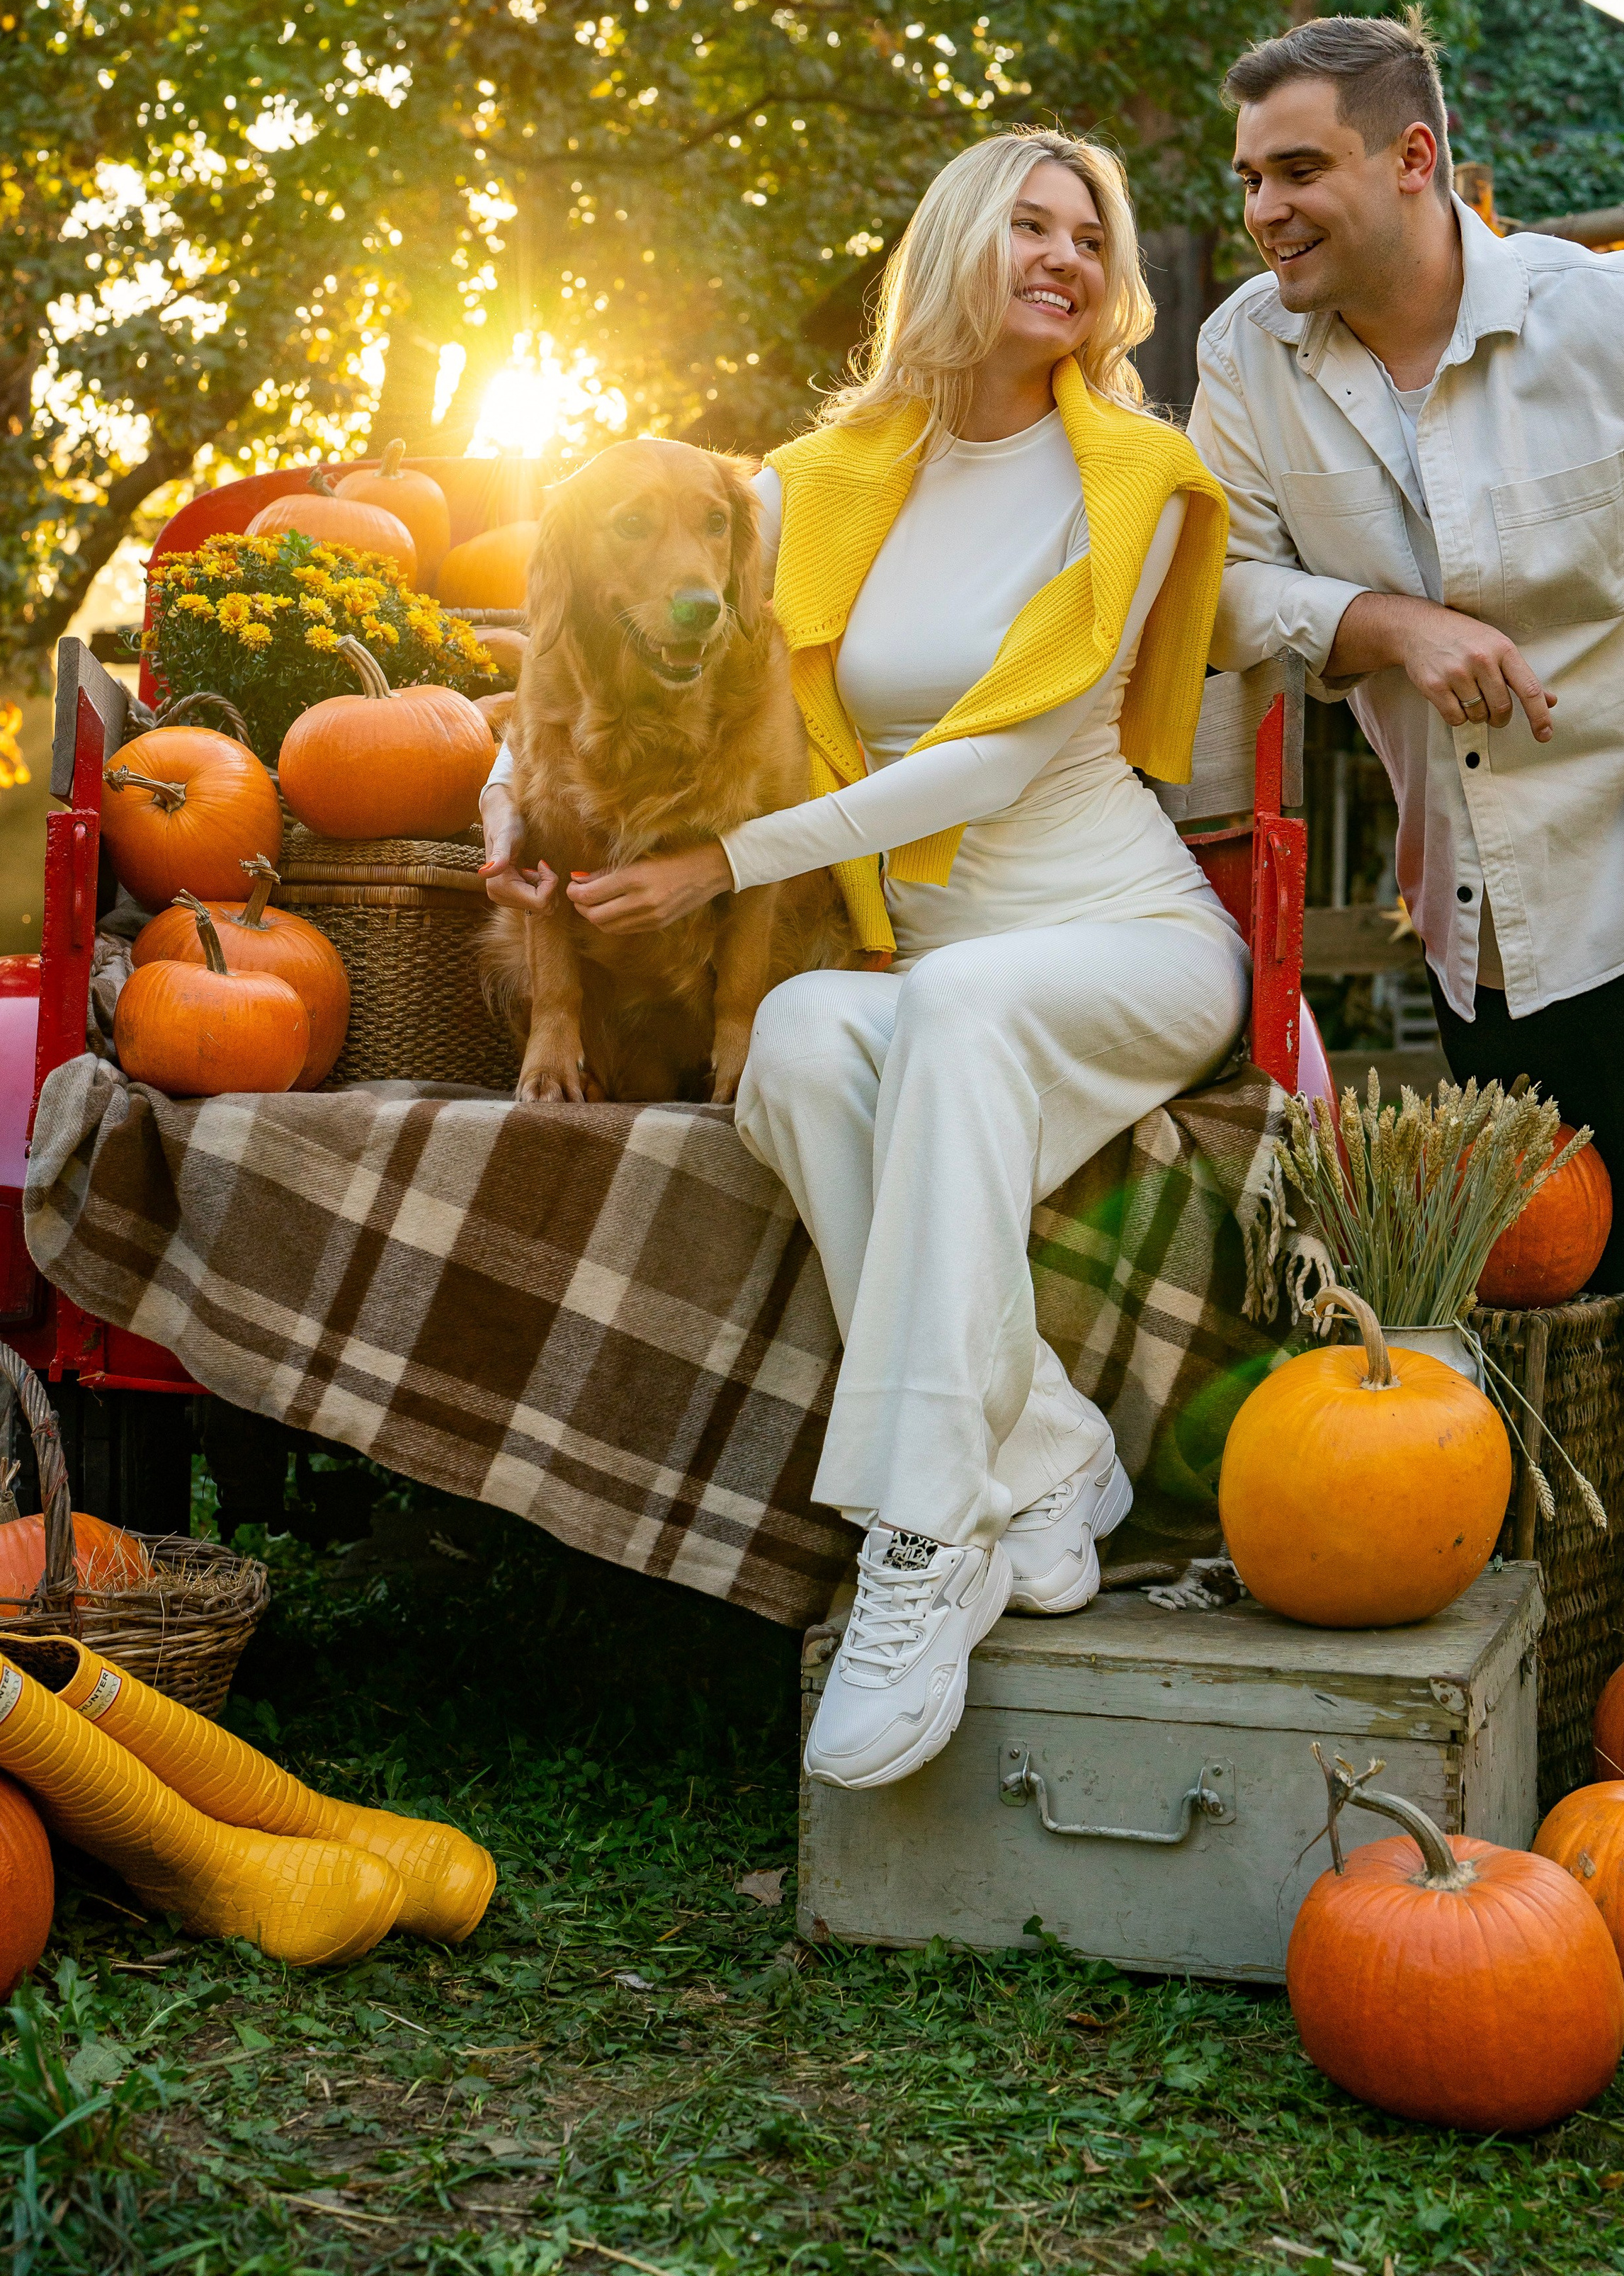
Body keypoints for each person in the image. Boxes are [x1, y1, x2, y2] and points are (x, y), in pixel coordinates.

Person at [485, 130, 1251, 1789]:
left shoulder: (1136, 475)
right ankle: (1045, 1456)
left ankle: (920, 1537)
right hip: (925, 967)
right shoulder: (808, 484)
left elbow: (991, 762)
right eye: (1028, 225)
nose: (1064, 258)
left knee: (946, 1001)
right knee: (801, 1040)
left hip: (1117, 941)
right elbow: (568, 651)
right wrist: (504, 808)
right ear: (955, 245)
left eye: (1090, 237)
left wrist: (723, 862)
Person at [1190, 10, 1624, 1638]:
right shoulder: (1247, 357)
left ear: (1411, 159)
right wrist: (1381, 625)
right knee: (1529, 1297)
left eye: (1296, 169)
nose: (1262, 210)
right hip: (1466, 921)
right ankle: (1552, 1659)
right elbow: (1216, 585)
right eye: (1247, 178)